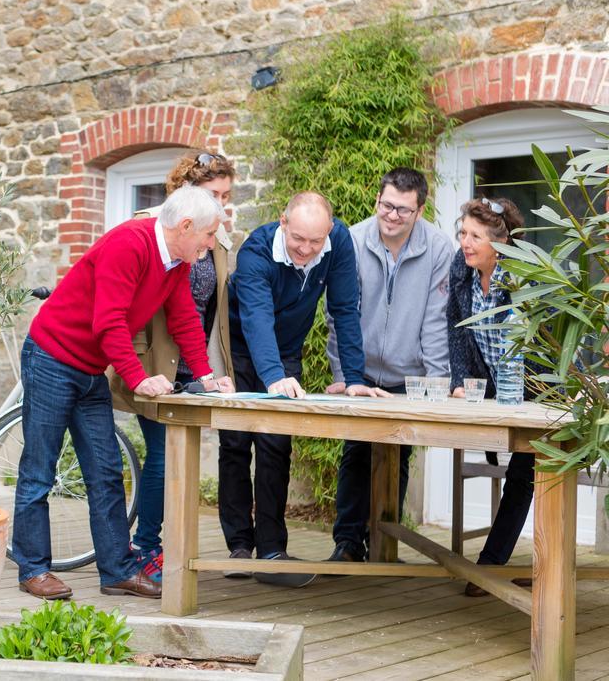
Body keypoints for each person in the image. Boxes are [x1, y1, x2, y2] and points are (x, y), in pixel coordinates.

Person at [14, 185, 236, 601]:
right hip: (52, 358)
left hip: (88, 369)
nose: (212, 243)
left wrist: (206, 375)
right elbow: (109, 321)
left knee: (105, 472)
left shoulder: (178, 262)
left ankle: (117, 570)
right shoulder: (129, 244)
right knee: (39, 470)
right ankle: (33, 569)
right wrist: (138, 378)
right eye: (209, 235)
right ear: (186, 227)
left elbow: (184, 317)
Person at [219, 191, 389, 587]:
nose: (306, 250)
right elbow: (256, 319)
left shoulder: (338, 243)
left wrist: (356, 378)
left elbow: (345, 309)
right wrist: (273, 376)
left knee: (277, 445)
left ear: (329, 231)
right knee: (236, 442)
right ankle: (240, 546)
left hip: (287, 351)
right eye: (298, 239)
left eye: (315, 241)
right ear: (283, 221)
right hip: (242, 349)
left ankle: (273, 549)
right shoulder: (255, 252)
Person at [108, 151, 236, 584]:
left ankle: (167, 547)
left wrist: (208, 371)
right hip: (153, 359)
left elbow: (205, 311)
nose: (222, 204)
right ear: (190, 195)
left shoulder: (217, 239)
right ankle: (147, 547)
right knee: (163, 456)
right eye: (215, 195)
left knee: (181, 460)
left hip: (193, 361)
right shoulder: (152, 226)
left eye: (226, 196)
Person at [325, 168, 454, 562]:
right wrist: (344, 377)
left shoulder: (438, 247)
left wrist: (438, 384)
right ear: (376, 200)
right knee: (356, 452)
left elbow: (436, 320)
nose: (392, 216)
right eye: (386, 205)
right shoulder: (352, 239)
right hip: (360, 370)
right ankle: (347, 543)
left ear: (419, 210)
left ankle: (382, 540)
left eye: (403, 209)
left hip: (409, 375)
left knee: (397, 457)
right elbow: (340, 315)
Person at [446, 196, 535, 597]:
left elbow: (543, 344)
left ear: (499, 243)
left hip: (539, 391)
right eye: (463, 233)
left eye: (475, 236)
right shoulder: (461, 270)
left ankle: (489, 566)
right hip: (494, 392)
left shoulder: (522, 277)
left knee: (525, 473)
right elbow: (457, 325)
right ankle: (490, 567)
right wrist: (462, 379)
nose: (465, 242)